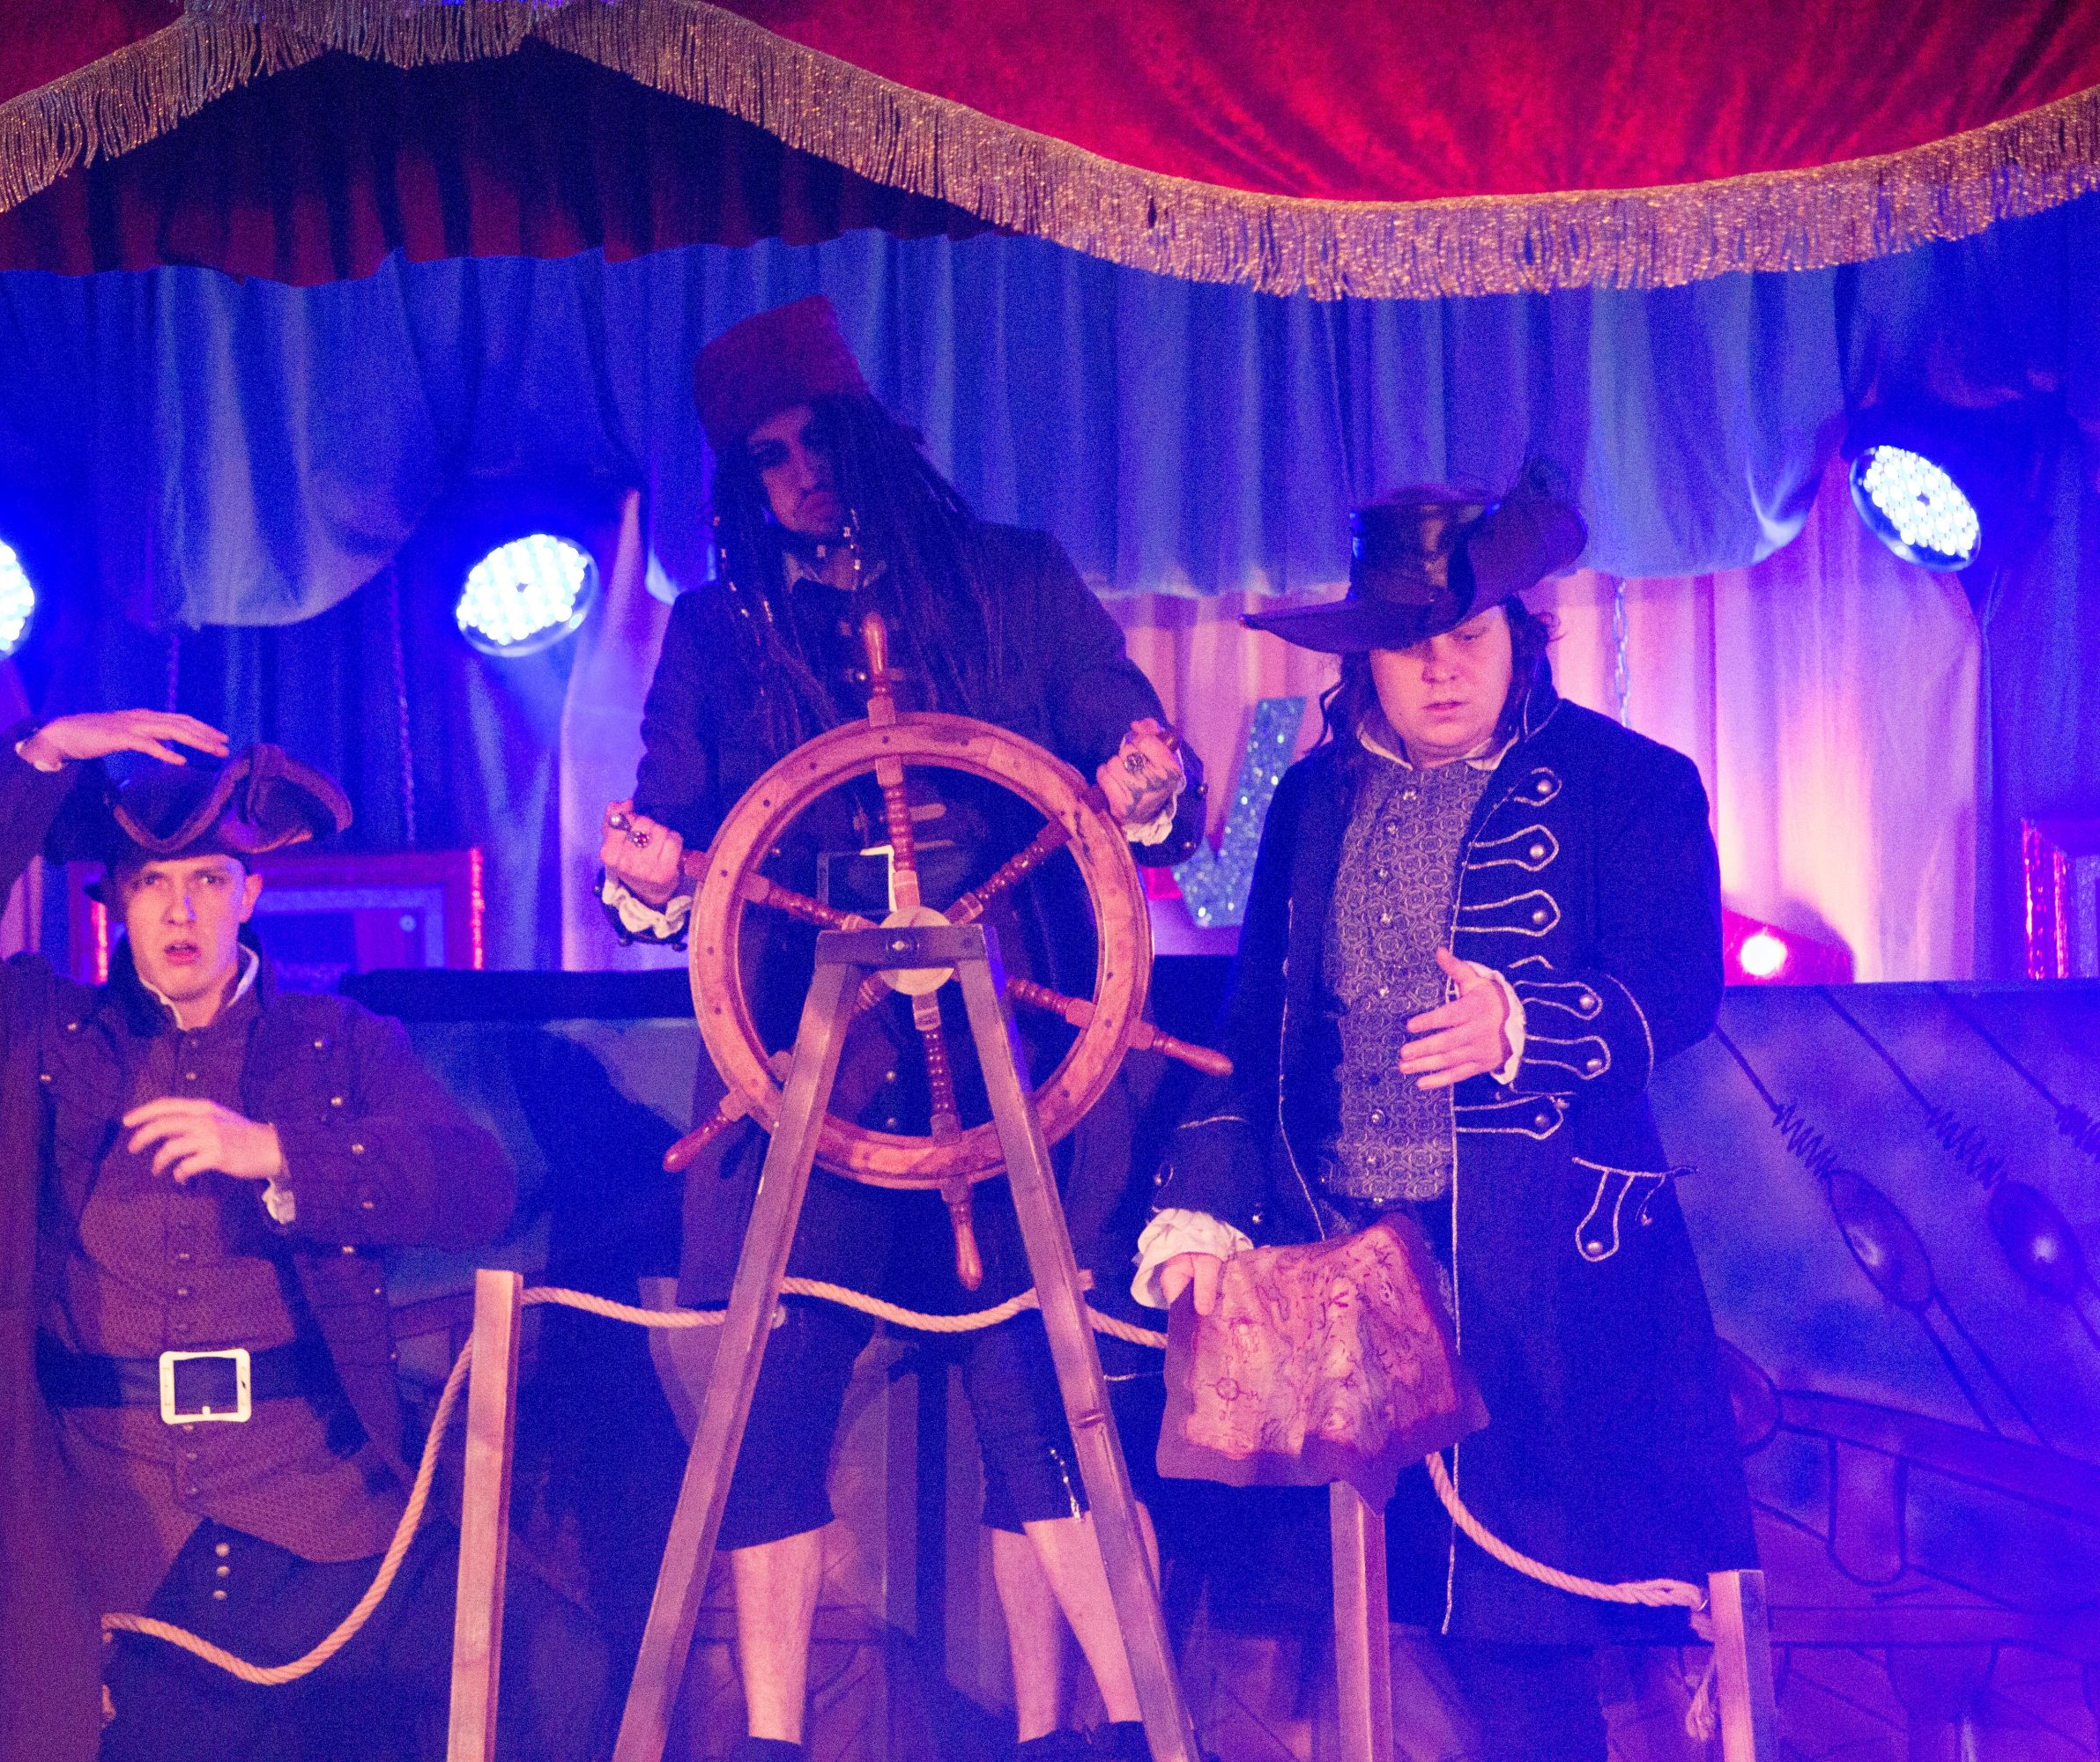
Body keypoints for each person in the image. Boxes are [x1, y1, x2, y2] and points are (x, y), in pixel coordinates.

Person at [598, 295, 1207, 1762]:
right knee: (773, 1421)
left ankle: (1122, 1739)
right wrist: (648, 876)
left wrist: (1143, 775)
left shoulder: (1012, 582)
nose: (801, 476)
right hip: (814, 1084)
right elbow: (671, 837)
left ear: (869, 435)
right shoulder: (718, 634)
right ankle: (768, 1746)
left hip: (1018, 1075)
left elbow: (1124, 741)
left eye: (817, 441)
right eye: (767, 459)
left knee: (1044, 1413)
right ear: (739, 487)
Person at [1135, 470, 1760, 1759]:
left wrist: (1526, 1027)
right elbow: (1259, 1029)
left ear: (1519, 633)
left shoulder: (1627, 783)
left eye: (1468, 635)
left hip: (1534, 1279)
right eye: (1410, 643)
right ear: (1365, 658)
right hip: (1341, 1265)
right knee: (1341, 1642)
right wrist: (1203, 1207)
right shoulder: (1312, 799)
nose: (1441, 669)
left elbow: (1679, 982)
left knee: (1523, 1649)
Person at [0, 710, 597, 1762]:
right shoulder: (41, 1038)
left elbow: (478, 1184)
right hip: (121, 1535)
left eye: (209, 880)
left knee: (557, 1663)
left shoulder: (337, 1044)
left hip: (326, 1513)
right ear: (115, 901)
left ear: (249, 893)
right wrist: (41, 753)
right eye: (153, 883)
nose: (182, 910)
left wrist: (284, 1154)